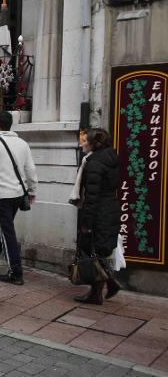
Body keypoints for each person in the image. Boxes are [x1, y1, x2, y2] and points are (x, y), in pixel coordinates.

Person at [0, 111, 38, 285]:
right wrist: (32, 190)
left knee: (6, 233)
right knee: (3, 230)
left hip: (0, 195)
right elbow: (30, 170)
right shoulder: (22, 143)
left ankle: (16, 272)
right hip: (18, 194)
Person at [69, 128, 120, 305]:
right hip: (109, 208)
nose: (82, 143)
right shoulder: (110, 158)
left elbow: (92, 195)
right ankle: (102, 289)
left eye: (85, 140)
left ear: (94, 144)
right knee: (98, 251)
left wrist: (87, 222)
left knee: (92, 250)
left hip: (98, 212)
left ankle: (104, 287)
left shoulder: (94, 163)